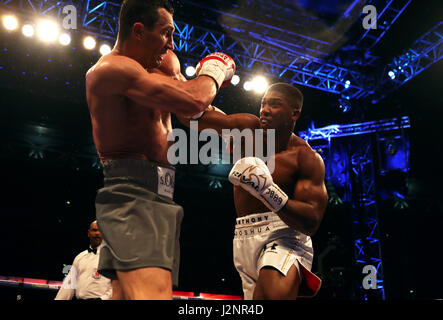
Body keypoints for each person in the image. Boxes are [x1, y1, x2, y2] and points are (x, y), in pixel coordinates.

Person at [85, 0, 235, 300]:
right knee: (154, 295)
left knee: (127, 295)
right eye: (166, 33)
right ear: (139, 31)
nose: (171, 43)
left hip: (158, 193)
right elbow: (194, 99)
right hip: (132, 192)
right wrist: (216, 71)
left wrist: (244, 130)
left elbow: (192, 111)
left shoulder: (166, 63)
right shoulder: (110, 69)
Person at [177, 82, 328, 300]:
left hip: (284, 236)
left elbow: (311, 221)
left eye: (274, 105)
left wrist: (268, 191)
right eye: (263, 103)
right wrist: (210, 78)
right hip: (243, 237)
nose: (264, 109)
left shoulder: (306, 157)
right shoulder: (247, 129)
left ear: (294, 113)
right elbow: (188, 116)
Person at [55, 221, 112, 300]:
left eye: (100, 230)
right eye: (94, 230)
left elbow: (118, 286)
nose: (97, 233)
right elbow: (69, 286)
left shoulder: (111, 257)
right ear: (89, 233)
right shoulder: (79, 257)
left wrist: (103, 299)